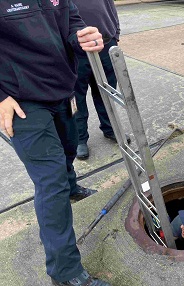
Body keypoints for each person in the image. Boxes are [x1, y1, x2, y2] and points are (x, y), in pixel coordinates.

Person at [0, 1, 110, 285]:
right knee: (51, 181)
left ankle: (72, 187)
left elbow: (71, 23)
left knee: (69, 148)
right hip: (21, 101)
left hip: (62, 87)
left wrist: (83, 36)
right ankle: (66, 272)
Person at [72, 0, 120, 160]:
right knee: (76, 98)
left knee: (107, 92)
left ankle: (110, 128)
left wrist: (115, 34)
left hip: (106, 44)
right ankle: (79, 139)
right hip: (75, 50)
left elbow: (110, 6)